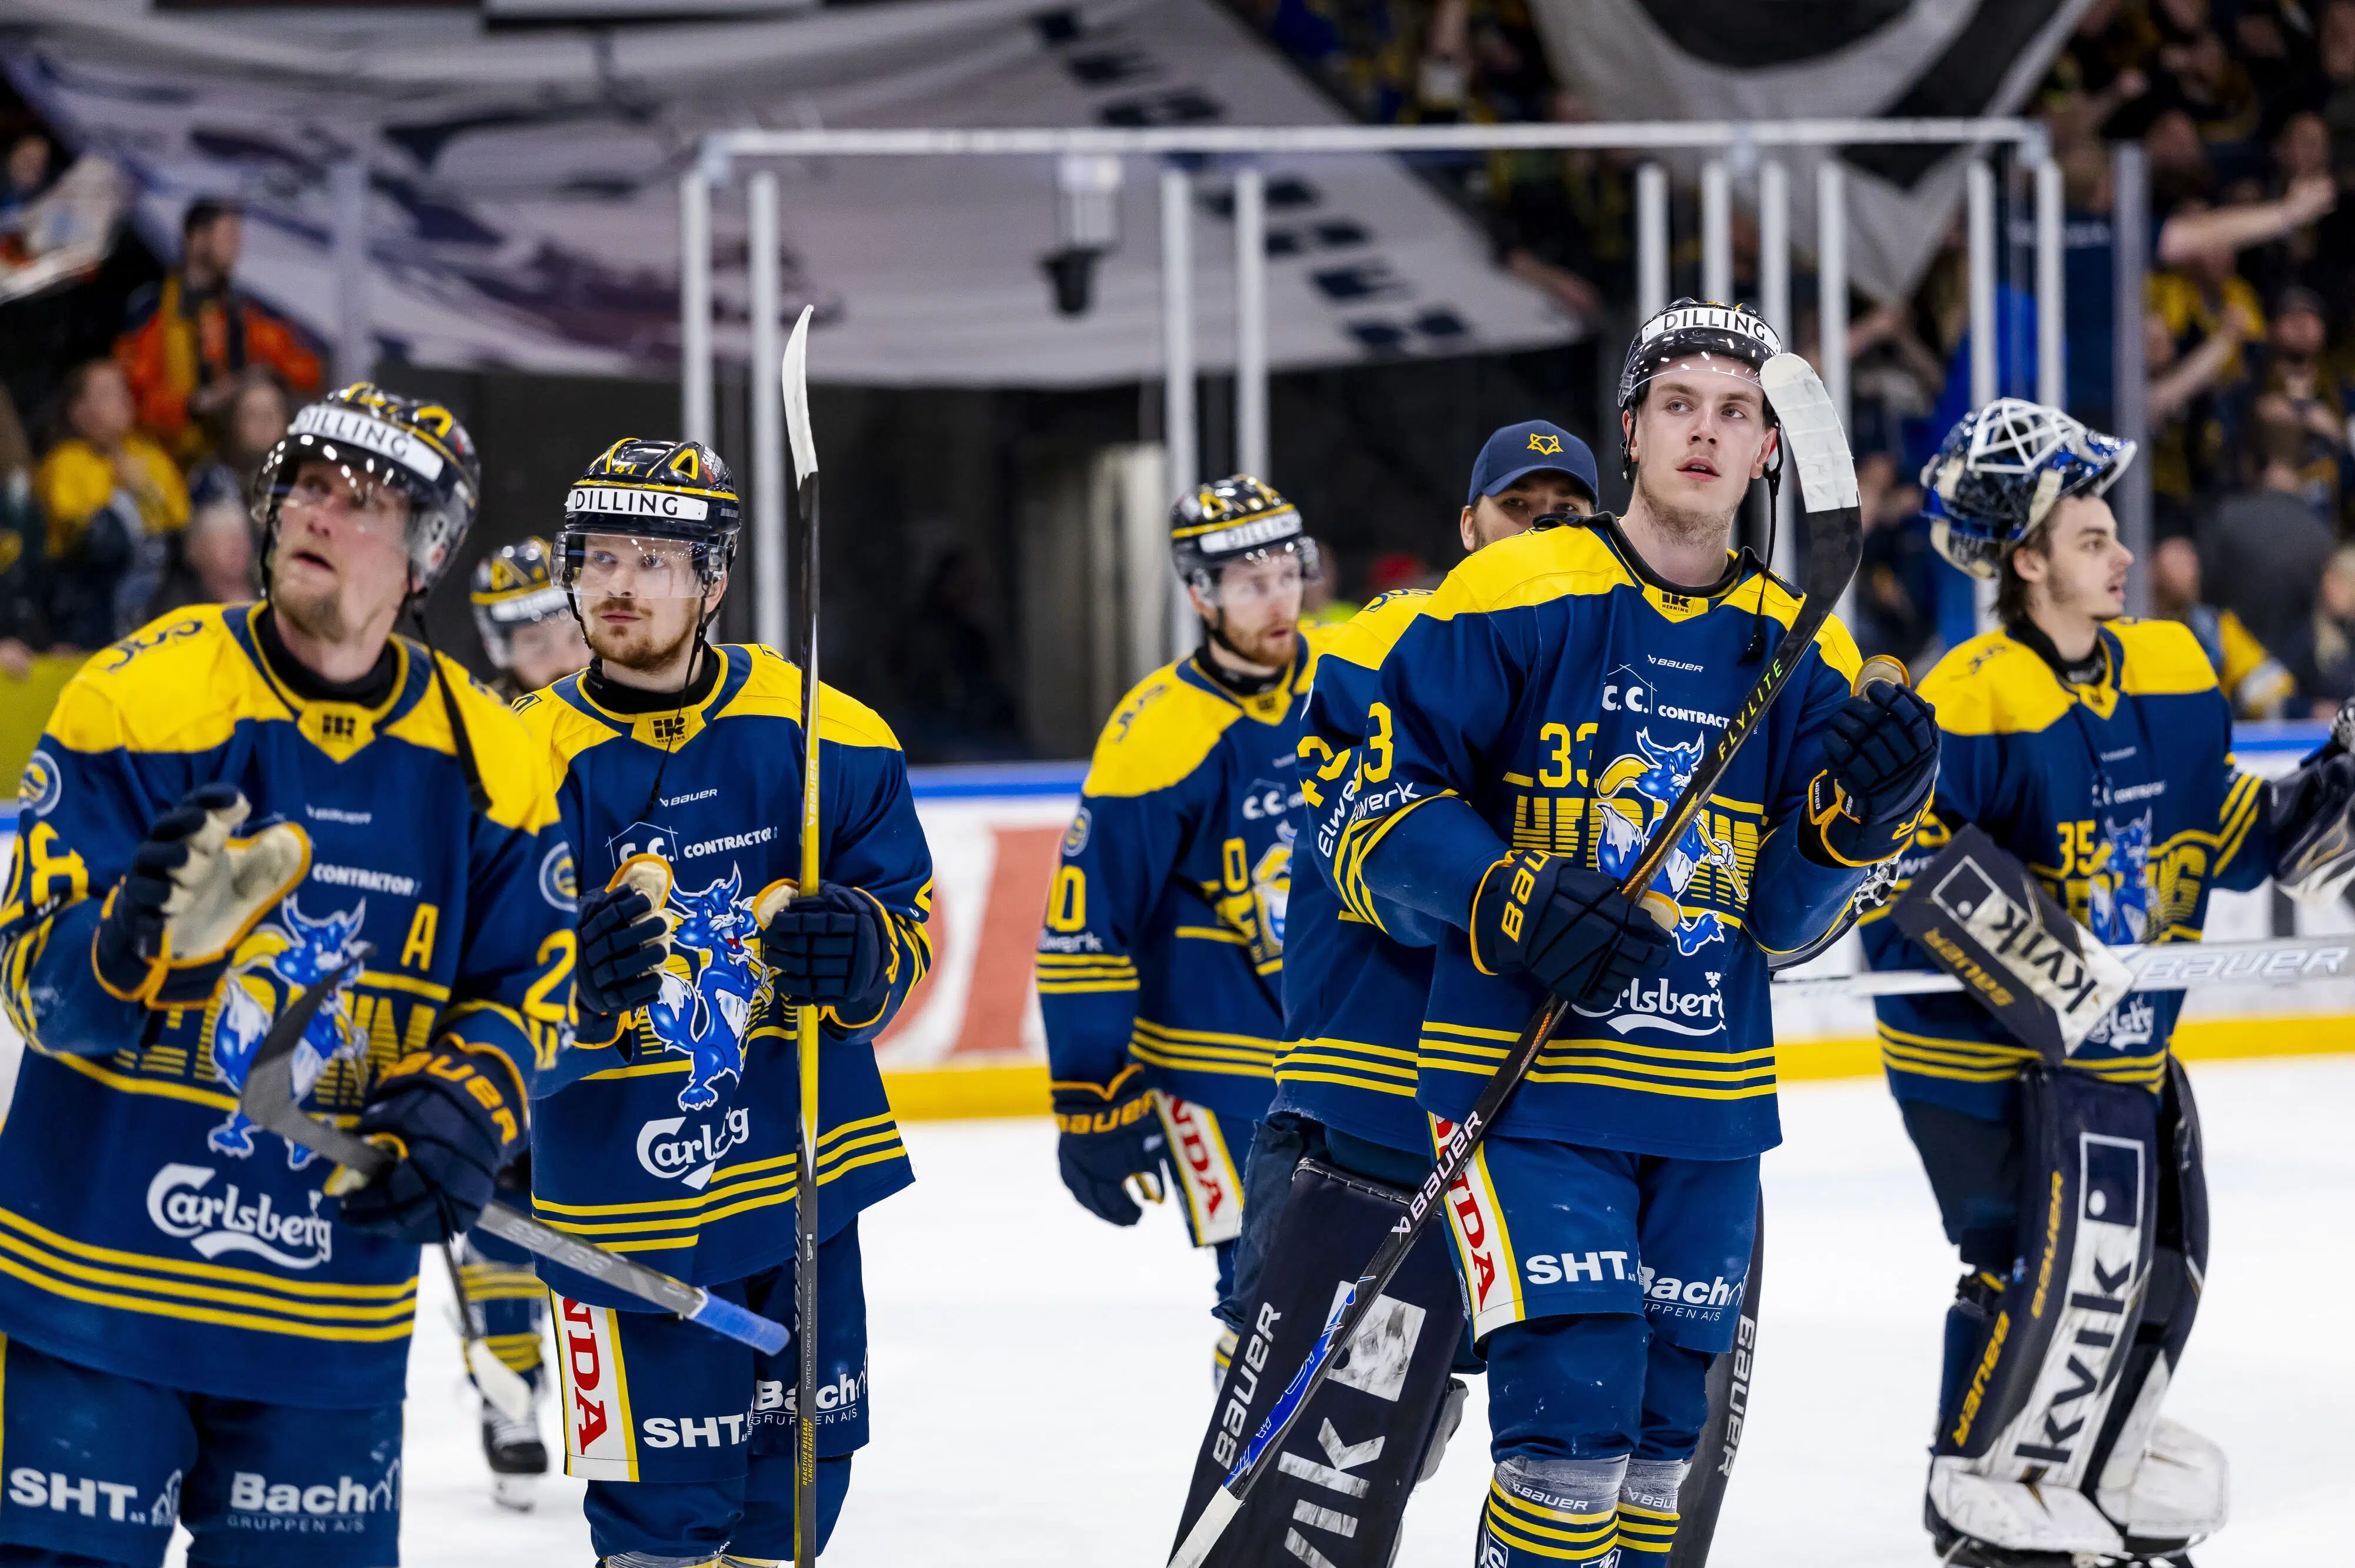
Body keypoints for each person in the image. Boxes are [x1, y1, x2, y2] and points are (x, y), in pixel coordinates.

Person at [1331, 300, 1934, 1564]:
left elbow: (1780, 919)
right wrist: (1510, 896)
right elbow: (1369, 822)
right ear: (1629, 432)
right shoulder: (1510, 590)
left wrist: (1856, 826)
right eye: (1678, 407)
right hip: (1528, 1091)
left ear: (1768, 450)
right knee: (1570, 1434)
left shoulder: (1791, 642)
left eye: (1733, 414)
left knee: (1660, 1458)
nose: (1704, 434)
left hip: (1709, 1100)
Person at [0, 381, 572, 1567]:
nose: (320, 511)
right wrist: (118, 949)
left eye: (363, 499)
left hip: (326, 1325)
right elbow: (27, 974)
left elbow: (533, 987)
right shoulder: (137, 699)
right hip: (88, 1301)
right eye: (307, 484)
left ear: (424, 555)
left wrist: (475, 1100)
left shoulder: (494, 764)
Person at [1868, 397, 2336, 1566]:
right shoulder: (1963, 698)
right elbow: (1896, 876)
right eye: (2088, 538)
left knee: (2153, 1268)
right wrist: (2066, 986)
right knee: (2028, 1271)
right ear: (2023, 561)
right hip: (1981, 1067)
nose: (2122, 553)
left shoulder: (2169, 670)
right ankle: (1991, 1510)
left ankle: (2088, 1479)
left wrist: (2332, 795)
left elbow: (2232, 838)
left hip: (2114, 1054)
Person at [1186, 421, 1602, 1556]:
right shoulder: (1392, 639)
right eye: (1525, 509)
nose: (1550, 531)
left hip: (1523, 1126)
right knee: (1301, 1467)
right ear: (1469, 530)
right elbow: (1372, 860)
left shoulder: (1610, 669)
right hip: (1361, 1118)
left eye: (1573, 511)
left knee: (1455, 1439)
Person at [515, 438, 934, 1564]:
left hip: (801, 1187)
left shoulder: (829, 730)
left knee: (791, 1516)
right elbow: (474, 991)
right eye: (599, 553)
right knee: (656, 1535)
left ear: (715, 578)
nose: (618, 582)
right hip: (619, 1224)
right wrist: (575, 996)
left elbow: (909, 921)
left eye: (654, 557)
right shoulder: (511, 759)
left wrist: (861, 956)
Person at [1037, 474, 1336, 1372]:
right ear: (1201, 594)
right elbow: (1087, 927)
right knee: (1260, 1292)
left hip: (1332, 1040)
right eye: (1251, 584)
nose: (1278, 600)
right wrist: (1090, 1098)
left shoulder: (1346, 682)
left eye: (1288, 574)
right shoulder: (1157, 734)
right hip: (1207, 1066)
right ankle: (1254, 1473)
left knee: (1354, 1284)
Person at [114, 200, 321, 466]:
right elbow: (133, 393)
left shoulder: (243, 310)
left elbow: (304, 367)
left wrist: (265, 372)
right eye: (229, 236)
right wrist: (195, 404)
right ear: (198, 239)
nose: (237, 248)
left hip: (231, 451)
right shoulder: (151, 309)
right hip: (167, 451)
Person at [35, 358, 188, 647]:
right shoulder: (64, 465)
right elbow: (85, 539)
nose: (121, 400)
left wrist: (145, 491)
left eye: (122, 390)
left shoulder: (152, 457)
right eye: (105, 393)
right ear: (79, 413)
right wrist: (122, 489)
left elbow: (180, 526)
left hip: (153, 611)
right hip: (86, 614)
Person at [472, 534, 591, 699]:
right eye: (539, 646)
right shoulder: (476, 722)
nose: (568, 663)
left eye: (577, 637)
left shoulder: (635, 706)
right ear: (500, 651)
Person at [145, 465, 258, 616]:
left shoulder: (270, 589)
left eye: (241, 532)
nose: (237, 545)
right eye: (221, 533)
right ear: (193, 546)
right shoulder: (178, 610)